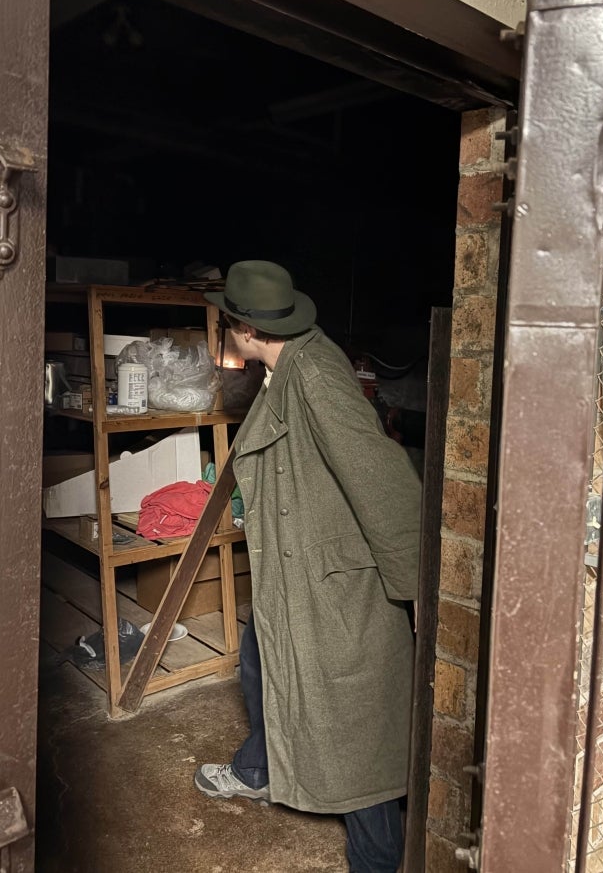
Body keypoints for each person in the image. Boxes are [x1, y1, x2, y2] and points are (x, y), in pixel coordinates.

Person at [195, 260, 422, 873]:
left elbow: (380, 475)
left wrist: (415, 588)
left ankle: (377, 859)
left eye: (227, 324)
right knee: (260, 662)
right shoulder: (286, 365)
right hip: (293, 568)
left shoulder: (316, 375)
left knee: (351, 720)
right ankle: (260, 767)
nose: (224, 334)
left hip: (331, 579)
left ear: (245, 329)